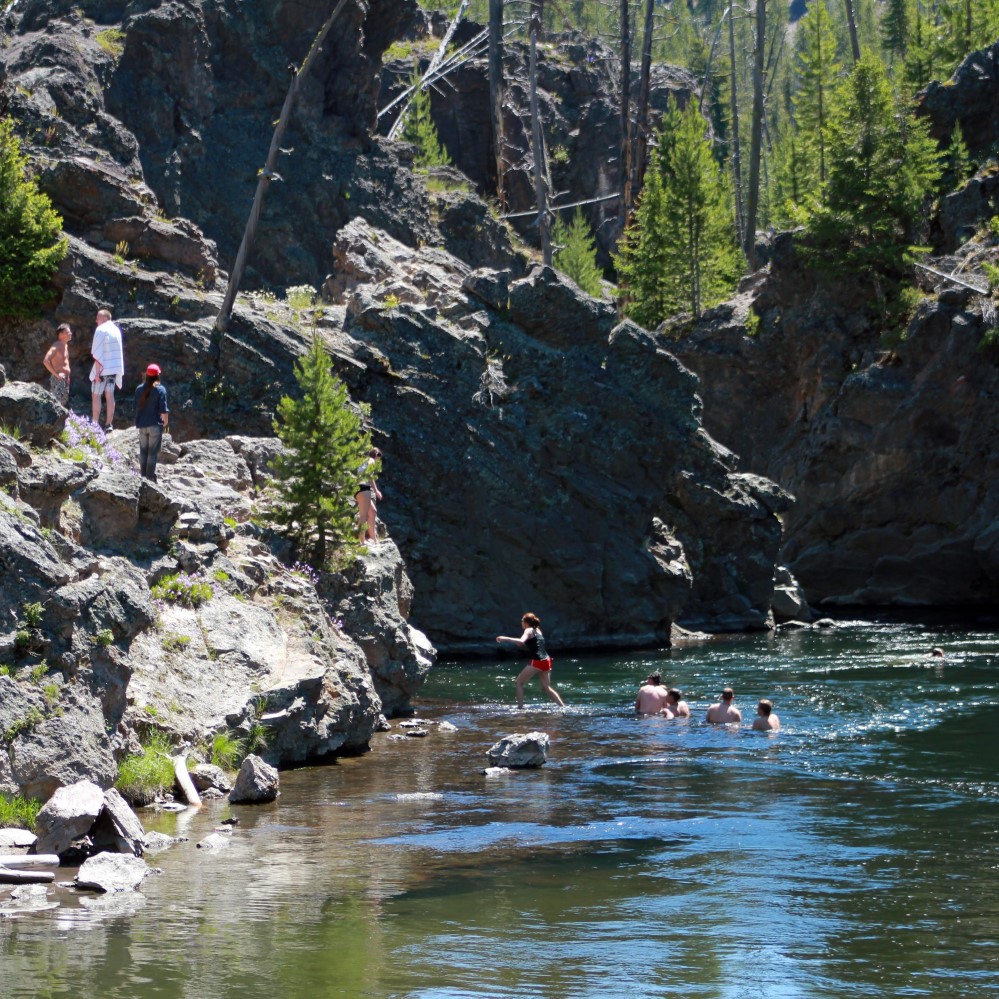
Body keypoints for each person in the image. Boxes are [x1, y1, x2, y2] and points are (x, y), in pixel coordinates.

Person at [496, 612, 566, 708]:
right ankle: (563, 707)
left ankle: (520, 708)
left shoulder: (528, 630)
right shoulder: (537, 630)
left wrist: (505, 638)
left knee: (519, 682)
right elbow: (533, 644)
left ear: (526, 622)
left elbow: (521, 642)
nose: (521, 623)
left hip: (537, 661)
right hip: (547, 660)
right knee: (546, 687)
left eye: (522, 621)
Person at [90, 308, 124, 430]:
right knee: (110, 395)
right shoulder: (116, 330)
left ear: (105, 318)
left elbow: (98, 353)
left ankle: (94, 424)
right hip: (113, 370)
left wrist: (97, 373)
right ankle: (108, 424)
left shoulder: (100, 330)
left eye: (98, 318)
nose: (96, 321)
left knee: (96, 395)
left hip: (102, 370)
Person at [134, 363, 169, 480]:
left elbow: (135, 407)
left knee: (143, 451)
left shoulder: (139, 389)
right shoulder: (161, 390)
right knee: (152, 453)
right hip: (155, 425)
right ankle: (149, 477)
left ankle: (142, 476)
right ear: (157, 376)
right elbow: (163, 410)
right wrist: (166, 422)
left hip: (142, 425)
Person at [355, 447, 383, 545]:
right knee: (363, 515)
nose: (377, 461)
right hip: (363, 487)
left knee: (372, 512)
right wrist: (376, 490)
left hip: (360, 487)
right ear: (376, 456)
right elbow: (369, 475)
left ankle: (374, 539)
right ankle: (362, 541)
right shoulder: (371, 460)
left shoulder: (364, 461)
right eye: (378, 459)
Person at [42, 323, 73, 407]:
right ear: (61, 334)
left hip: (65, 379)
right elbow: (46, 360)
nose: (70, 334)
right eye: (68, 332)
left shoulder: (65, 346)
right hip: (58, 380)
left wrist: (67, 377)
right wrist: (56, 375)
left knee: (62, 405)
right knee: (57, 405)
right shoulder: (57, 345)